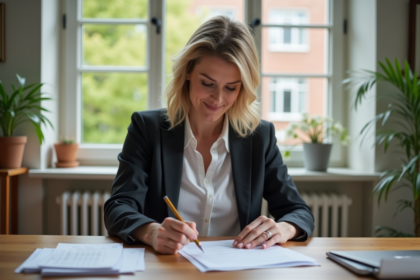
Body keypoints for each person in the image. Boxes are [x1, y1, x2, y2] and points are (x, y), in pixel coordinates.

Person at [104, 16, 314, 255]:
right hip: (166, 267)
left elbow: (299, 211)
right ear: (188, 73)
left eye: (231, 87)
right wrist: (151, 232)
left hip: (236, 269)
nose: (217, 99)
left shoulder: (260, 136)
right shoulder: (147, 128)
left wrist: (284, 229)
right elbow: (118, 207)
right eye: (207, 83)